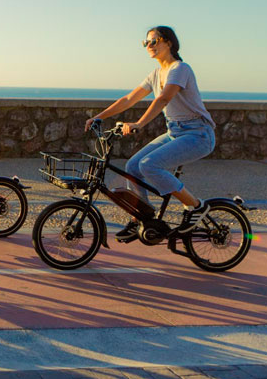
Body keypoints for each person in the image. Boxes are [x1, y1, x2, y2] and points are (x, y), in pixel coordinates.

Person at [85, 26, 215, 241]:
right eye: (145, 42)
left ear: (168, 42)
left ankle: (196, 206)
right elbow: (129, 99)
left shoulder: (179, 69)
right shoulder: (155, 74)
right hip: (175, 131)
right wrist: (99, 116)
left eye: (153, 41)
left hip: (198, 134)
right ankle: (141, 219)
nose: (149, 46)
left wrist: (139, 123)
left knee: (149, 165)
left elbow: (163, 98)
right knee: (133, 167)